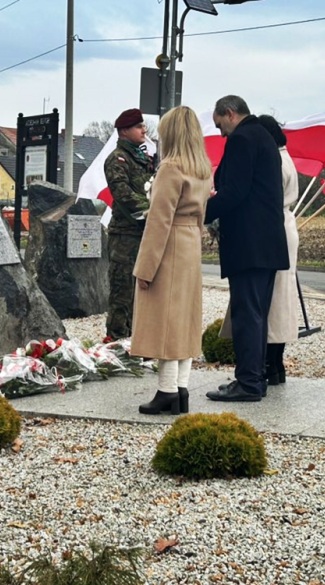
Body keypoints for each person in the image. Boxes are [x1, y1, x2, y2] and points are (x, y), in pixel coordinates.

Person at [204, 96, 289, 402]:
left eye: (220, 126)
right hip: (265, 243)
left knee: (247, 315)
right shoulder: (263, 136)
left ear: (229, 113)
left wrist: (199, 212)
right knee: (256, 314)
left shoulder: (242, 138)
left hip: (249, 243)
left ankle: (249, 383)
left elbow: (234, 192)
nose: (221, 134)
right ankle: (253, 377)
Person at [131, 106, 212, 415]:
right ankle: (181, 389)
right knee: (185, 319)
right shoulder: (202, 168)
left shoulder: (171, 168)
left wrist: (145, 267)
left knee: (165, 319)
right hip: (190, 244)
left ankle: (166, 391)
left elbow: (159, 221)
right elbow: (201, 215)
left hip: (169, 245)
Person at [220, 115, 299, 386]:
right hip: (278, 230)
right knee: (272, 303)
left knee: (263, 306)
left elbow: (249, 193)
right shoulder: (283, 158)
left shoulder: (273, 160)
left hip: (264, 231)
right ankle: (271, 365)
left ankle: (263, 367)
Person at [103, 108, 155, 340]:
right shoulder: (117, 159)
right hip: (125, 236)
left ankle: (137, 340)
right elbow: (123, 195)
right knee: (122, 292)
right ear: (124, 131)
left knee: (143, 292)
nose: (144, 130)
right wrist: (154, 211)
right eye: (138, 126)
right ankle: (116, 342)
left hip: (144, 233)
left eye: (143, 125)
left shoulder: (144, 158)